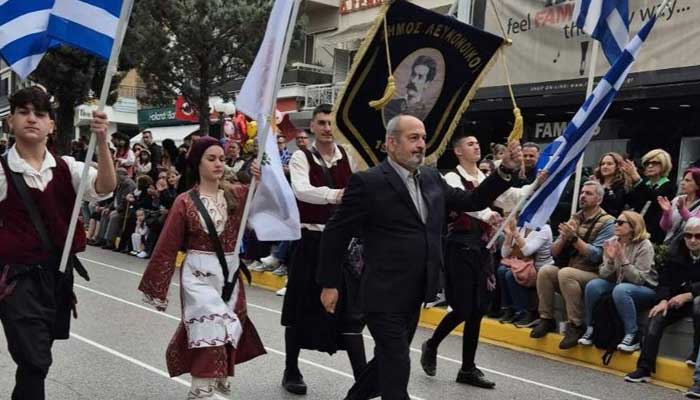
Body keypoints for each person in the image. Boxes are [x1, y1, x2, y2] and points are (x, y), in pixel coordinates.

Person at [317, 115, 521, 400]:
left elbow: (471, 201)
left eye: (423, 138)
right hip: (382, 294)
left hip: (417, 291)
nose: (421, 144)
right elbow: (335, 233)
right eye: (413, 138)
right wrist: (329, 284)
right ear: (391, 143)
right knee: (398, 365)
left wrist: (505, 170)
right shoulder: (368, 182)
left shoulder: (431, 177)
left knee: (387, 361)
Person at [0, 86, 116, 400]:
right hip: (17, 280)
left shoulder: (68, 167)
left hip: (58, 276)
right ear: (10, 121)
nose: (31, 119)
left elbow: (105, 187)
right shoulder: (2, 171)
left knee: (37, 359)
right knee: (33, 359)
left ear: (51, 125)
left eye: (40, 114)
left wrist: (102, 141)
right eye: (23, 112)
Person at [138, 136, 266, 399]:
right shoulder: (184, 201)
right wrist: (158, 288)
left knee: (229, 324)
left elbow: (265, 199)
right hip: (198, 273)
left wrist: (260, 178)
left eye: (222, 159)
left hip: (229, 272)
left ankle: (216, 374)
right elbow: (167, 245)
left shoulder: (237, 194)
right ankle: (200, 384)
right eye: (211, 159)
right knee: (209, 324)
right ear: (197, 163)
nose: (218, 163)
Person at [420, 134, 533, 389]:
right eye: (470, 144)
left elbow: (510, 197)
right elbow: (466, 202)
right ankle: (432, 344)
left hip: (482, 248)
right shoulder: (451, 178)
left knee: (478, 309)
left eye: (477, 143)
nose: (476, 146)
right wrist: (488, 214)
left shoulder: (484, 177)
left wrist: (537, 185)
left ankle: (467, 368)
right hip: (458, 247)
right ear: (458, 151)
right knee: (463, 308)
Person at [280, 103, 364, 395]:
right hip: (311, 242)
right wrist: (337, 194)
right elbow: (301, 190)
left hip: (344, 245)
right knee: (299, 308)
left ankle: (363, 381)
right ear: (312, 127)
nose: (327, 128)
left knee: (351, 313)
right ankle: (291, 369)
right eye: (322, 123)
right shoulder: (301, 156)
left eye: (331, 123)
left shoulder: (349, 156)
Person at [530, 180, 615, 349]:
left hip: (595, 272)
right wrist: (563, 237)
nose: (582, 196)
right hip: (574, 268)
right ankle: (546, 318)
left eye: (588, 193)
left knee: (566, 273)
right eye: (582, 192)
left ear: (599, 199)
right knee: (546, 271)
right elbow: (554, 252)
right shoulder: (575, 217)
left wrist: (574, 238)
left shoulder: (608, 222)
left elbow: (596, 256)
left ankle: (576, 325)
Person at [625, 217, 700, 383]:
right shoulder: (675, 253)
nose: (693, 240)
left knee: (698, 305)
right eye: (688, 236)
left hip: (694, 300)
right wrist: (663, 300)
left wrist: (689, 295)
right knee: (656, 316)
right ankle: (644, 368)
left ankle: (696, 353)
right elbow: (664, 281)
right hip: (675, 300)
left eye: (698, 236)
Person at [578, 210, 657, 351]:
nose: (616, 225)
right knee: (593, 285)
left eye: (620, 223)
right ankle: (591, 328)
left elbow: (640, 280)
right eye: (615, 222)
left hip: (645, 290)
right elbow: (603, 274)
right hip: (620, 285)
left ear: (632, 226)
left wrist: (623, 259)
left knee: (621, 289)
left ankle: (632, 335)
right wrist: (610, 261)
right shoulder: (612, 242)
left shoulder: (645, 245)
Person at [498, 215, 554, 326]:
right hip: (522, 264)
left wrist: (515, 232)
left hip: (538, 268)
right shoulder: (521, 227)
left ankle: (525, 312)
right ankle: (508, 309)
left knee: (511, 274)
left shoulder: (544, 228)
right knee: (501, 270)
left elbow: (527, 251)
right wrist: (509, 235)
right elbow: (504, 254)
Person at [622, 149, 675, 244]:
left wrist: (638, 180)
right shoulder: (645, 183)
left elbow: (655, 198)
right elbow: (630, 201)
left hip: (654, 233)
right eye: (647, 163)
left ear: (664, 165)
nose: (650, 166)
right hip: (636, 229)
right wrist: (628, 181)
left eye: (655, 163)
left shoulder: (669, 185)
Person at [383, 56, 438, 122]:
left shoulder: (424, 114)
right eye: (413, 74)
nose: (413, 80)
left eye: (420, 77)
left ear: (427, 84)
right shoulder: (390, 104)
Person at [658, 168, 700, 245]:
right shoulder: (677, 199)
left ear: (698, 185)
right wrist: (666, 212)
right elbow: (665, 227)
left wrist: (682, 210)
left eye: (687, 180)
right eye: (683, 180)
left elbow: (696, 225)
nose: (682, 183)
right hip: (669, 246)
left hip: (690, 246)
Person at [592, 152, 632, 218]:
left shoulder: (623, 187)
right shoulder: (594, 183)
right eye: (602, 164)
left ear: (617, 166)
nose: (605, 166)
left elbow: (616, 205)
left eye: (609, 164)